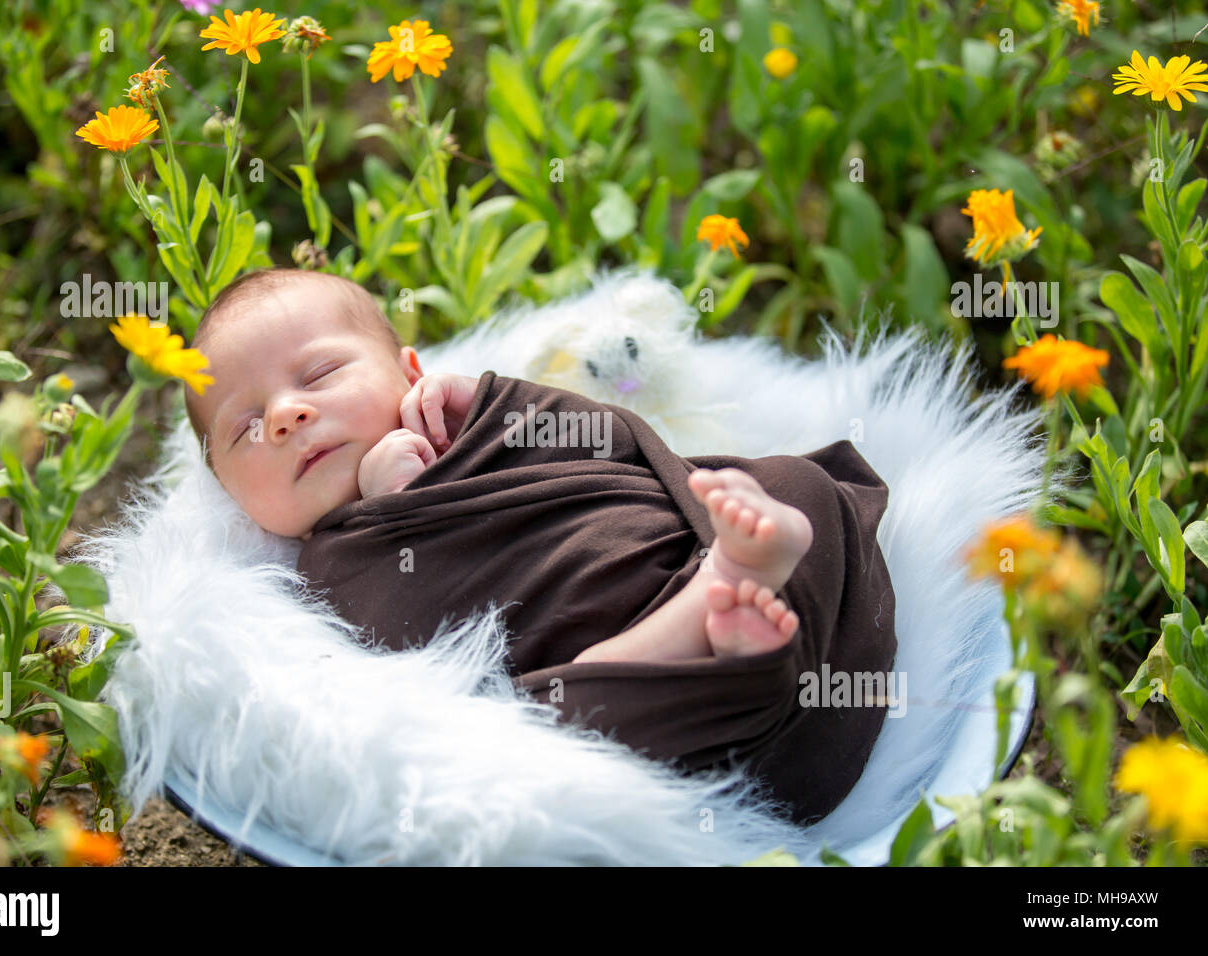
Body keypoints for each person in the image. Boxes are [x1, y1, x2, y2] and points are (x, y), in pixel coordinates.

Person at [184, 267, 898, 825]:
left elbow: (620, 448)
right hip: (644, 699)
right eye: (245, 428)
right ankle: (705, 632)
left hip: (689, 558)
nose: (286, 416)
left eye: (318, 375)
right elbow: (419, 696)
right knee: (541, 730)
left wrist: (501, 402)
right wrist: (390, 510)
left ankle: (722, 589)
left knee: (800, 481)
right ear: (228, 488)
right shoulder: (315, 582)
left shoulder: (479, 422)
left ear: (410, 372)